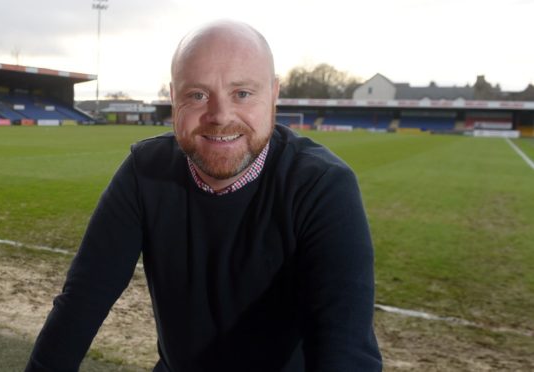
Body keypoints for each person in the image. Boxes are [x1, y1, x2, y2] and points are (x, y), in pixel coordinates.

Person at [25, 20, 382, 372]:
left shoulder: (322, 187)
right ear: (173, 97)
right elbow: (82, 302)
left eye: (242, 93)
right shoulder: (144, 172)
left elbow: (347, 350)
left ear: (273, 95)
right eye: (197, 95)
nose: (220, 116)